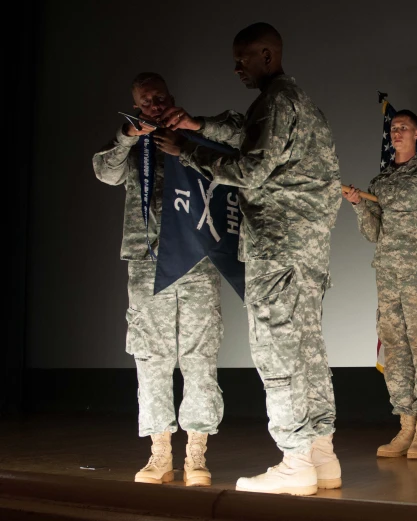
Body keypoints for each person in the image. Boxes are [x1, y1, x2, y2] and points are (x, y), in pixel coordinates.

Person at [158, 22, 342, 495]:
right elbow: (246, 132)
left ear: (267, 54)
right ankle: (321, 456)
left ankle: (294, 460)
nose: (237, 67)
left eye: (243, 58)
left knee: (277, 349)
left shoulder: (278, 100)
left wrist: (189, 151)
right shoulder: (294, 100)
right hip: (306, 249)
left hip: (278, 246)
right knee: (307, 349)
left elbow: (251, 169)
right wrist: (198, 124)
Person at [92, 72, 223, 487]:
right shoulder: (132, 144)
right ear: (136, 105)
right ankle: (160, 453)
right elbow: (104, 172)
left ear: (171, 97)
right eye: (145, 101)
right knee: (151, 358)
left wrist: (184, 145)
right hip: (147, 260)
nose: (154, 104)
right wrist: (129, 136)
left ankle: (197, 454)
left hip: (194, 259)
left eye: (160, 97)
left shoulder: (194, 134)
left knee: (200, 355)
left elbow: (227, 170)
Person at [343, 110, 417, 460]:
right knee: (394, 348)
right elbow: (373, 233)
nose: (397, 133)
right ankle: (404, 424)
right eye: (394, 129)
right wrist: (360, 205)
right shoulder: (381, 182)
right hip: (389, 275)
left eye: (404, 128)